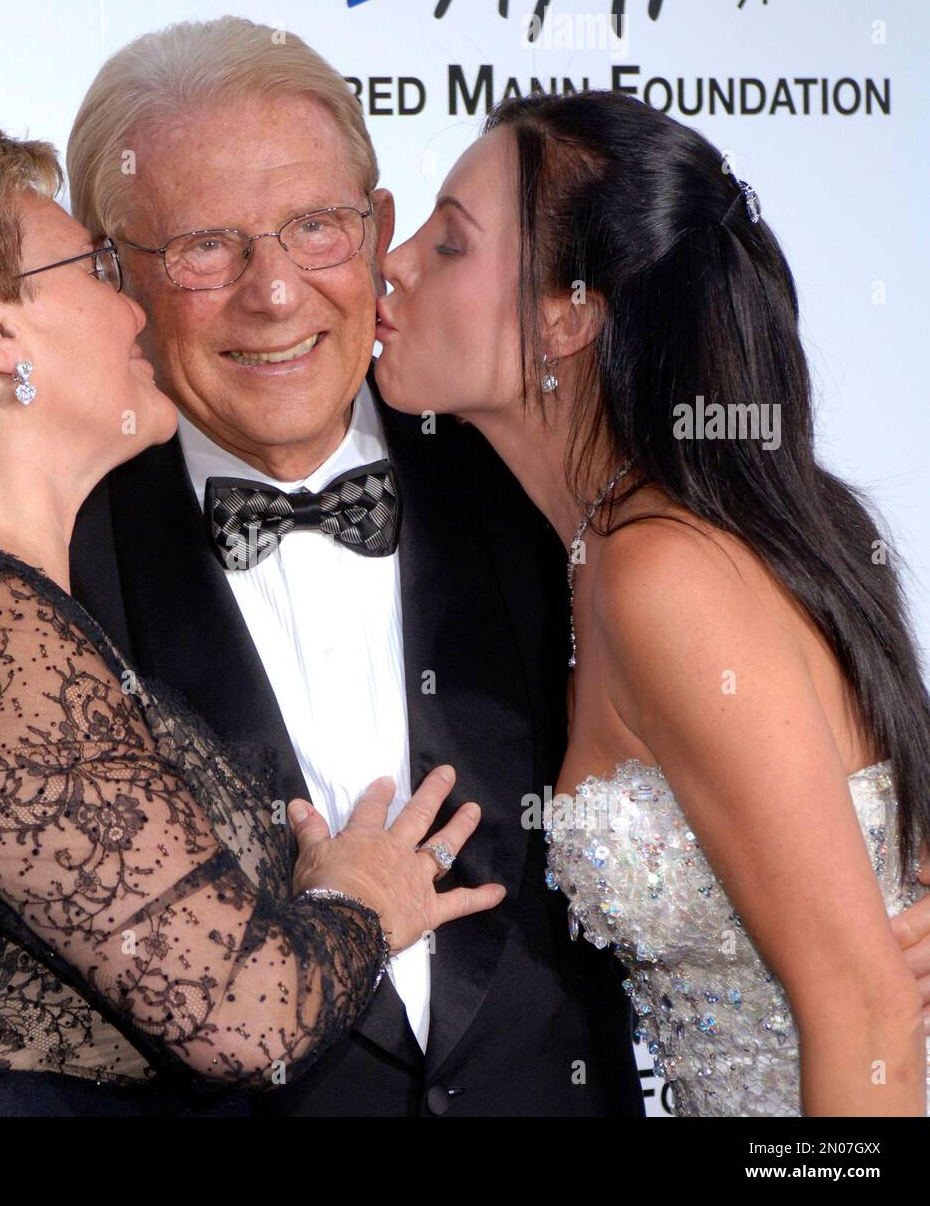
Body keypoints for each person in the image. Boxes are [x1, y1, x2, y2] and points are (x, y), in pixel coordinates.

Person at [0, 17, 645, 1118]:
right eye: (204, 247)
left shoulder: (545, 487)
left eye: (315, 226)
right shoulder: (24, 557)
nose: (272, 292)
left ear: (377, 230)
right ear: (110, 265)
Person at [374, 88, 930, 1115]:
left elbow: (869, 1014)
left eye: (448, 245)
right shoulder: (616, 545)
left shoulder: (662, 573)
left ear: (568, 312)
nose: (391, 262)